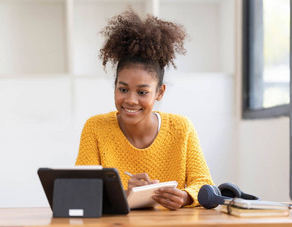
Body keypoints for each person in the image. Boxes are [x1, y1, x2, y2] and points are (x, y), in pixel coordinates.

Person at [75, 9, 214, 210]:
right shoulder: (96, 128)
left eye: (142, 92)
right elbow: (80, 192)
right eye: (123, 89)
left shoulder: (181, 128)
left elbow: (205, 185)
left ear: (160, 92)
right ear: (114, 86)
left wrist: (185, 197)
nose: (131, 100)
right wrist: (125, 195)